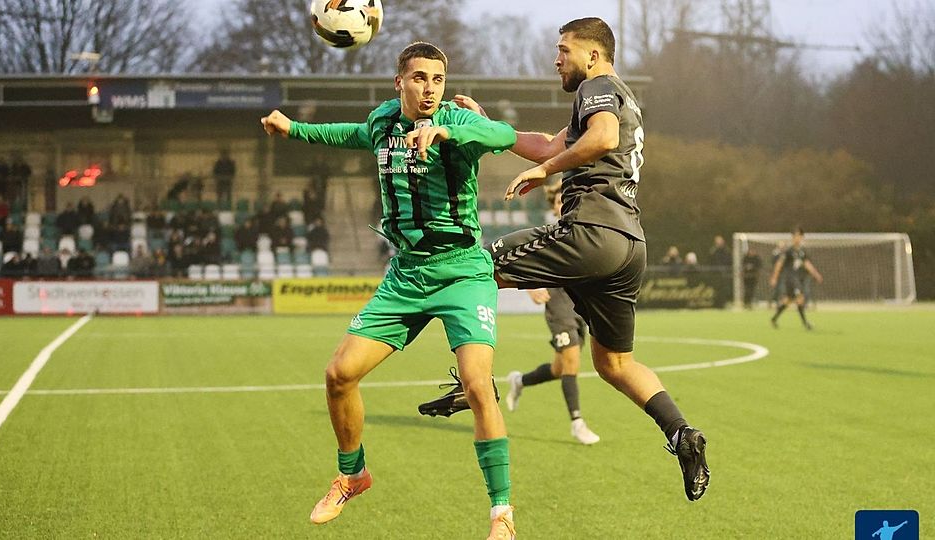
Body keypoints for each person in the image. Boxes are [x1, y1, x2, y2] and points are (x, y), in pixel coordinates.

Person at [424, 18, 710, 502]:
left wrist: (545, 170)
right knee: (615, 364)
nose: (556, 59)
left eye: (563, 50)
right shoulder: (618, 96)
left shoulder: (597, 87)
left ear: (593, 56)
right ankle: (683, 435)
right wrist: (486, 125)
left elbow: (596, 139)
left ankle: (476, 384)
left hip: (591, 232)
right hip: (627, 246)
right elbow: (546, 142)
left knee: (471, 265)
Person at [260, 41, 519, 539]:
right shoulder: (383, 122)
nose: (430, 89)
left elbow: (504, 133)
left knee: (476, 383)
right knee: (339, 374)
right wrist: (293, 128)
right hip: (406, 275)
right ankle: (353, 474)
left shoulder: (458, 122)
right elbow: (349, 134)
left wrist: (450, 127)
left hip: (463, 271)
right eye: (419, 78)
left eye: (438, 80)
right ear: (399, 82)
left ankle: (501, 514)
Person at [505, 183, 601, 445]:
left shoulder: (583, 231)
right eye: (559, 201)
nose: (563, 204)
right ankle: (577, 422)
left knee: (561, 368)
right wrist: (530, 287)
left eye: (567, 200)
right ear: (553, 206)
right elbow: (520, 261)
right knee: (571, 361)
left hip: (580, 304)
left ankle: (520, 381)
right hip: (557, 304)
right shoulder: (547, 235)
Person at [769, 227, 823, 330]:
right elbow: (779, 264)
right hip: (790, 278)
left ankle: (774, 319)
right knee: (800, 298)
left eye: (799, 236)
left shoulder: (802, 251)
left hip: (796, 278)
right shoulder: (789, 251)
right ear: (792, 238)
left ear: (802, 237)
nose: (797, 238)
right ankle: (805, 323)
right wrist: (774, 277)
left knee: (788, 300)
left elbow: (807, 264)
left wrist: (816, 274)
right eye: (795, 236)